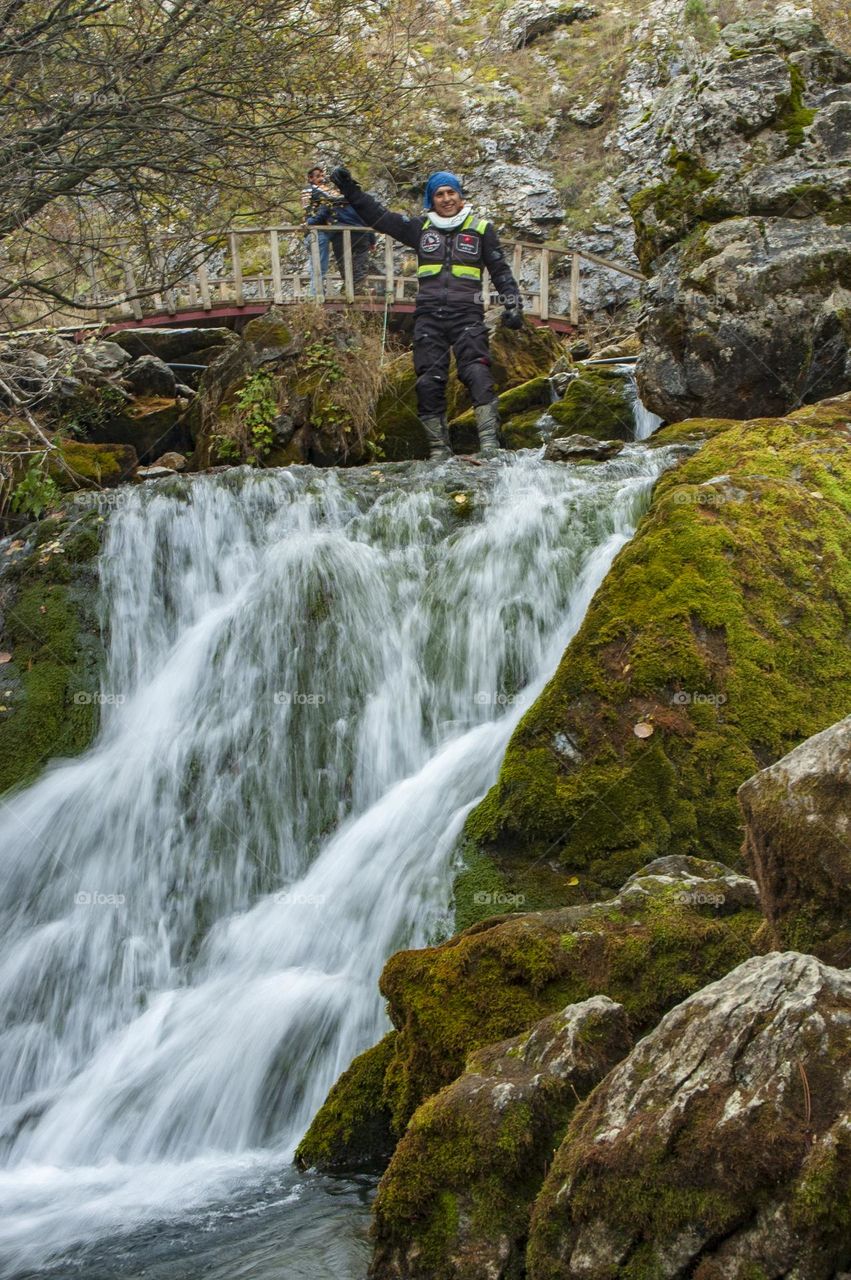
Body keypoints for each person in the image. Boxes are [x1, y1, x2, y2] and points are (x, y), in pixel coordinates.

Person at [329, 165, 523, 459]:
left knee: (477, 372)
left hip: (467, 315)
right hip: (429, 316)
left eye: (451, 193)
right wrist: (351, 191)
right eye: (439, 194)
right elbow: (379, 216)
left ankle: (489, 447)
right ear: (431, 201)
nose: (446, 199)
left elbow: (499, 269)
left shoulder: (482, 230)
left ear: (460, 197)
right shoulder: (419, 228)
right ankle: (439, 452)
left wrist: (513, 302)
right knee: (428, 380)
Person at [300, 166, 334, 297]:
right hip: (318, 232)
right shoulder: (316, 191)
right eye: (318, 176)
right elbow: (326, 206)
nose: (322, 178)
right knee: (320, 267)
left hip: (309, 233)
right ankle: (317, 295)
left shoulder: (306, 192)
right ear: (310, 178)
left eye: (322, 175)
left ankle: (315, 294)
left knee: (315, 266)